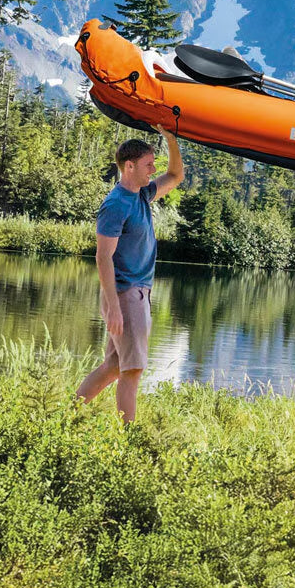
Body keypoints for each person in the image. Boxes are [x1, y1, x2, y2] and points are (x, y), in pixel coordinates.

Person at [76, 125, 184, 423]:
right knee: (132, 370)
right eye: (148, 164)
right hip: (125, 294)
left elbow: (175, 175)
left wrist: (170, 138)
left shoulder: (142, 195)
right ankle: (129, 437)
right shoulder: (115, 204)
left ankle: (67, 417)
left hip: (137, 293)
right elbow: (103, 257)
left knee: (114, 367)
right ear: (129, 166)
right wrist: (112, 306)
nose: (153, 170)